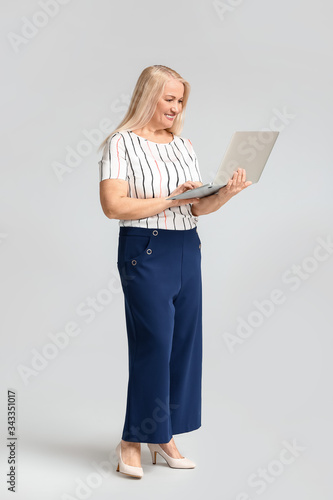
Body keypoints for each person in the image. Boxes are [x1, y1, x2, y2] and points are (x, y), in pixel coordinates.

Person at [98, 64, 252, 479]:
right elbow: (114, 206)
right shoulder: (121, 144)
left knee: (184, 346)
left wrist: (225, 194)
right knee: (154, 345)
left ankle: (161, 434)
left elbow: (198, 207)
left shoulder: (183, 145)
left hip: (187, 247)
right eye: (170, 99)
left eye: (180, 100)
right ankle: (132, 440)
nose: (176, 107)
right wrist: (167, 200)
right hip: (144, 250)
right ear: (149, 97)